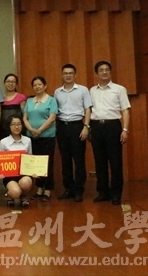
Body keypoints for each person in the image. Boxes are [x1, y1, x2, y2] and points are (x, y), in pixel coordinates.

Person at [89, 61, 130, 206]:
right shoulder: (92, 91)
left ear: (110, 72)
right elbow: (88, 110)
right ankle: (103, 192)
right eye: (101, 70)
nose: (104, 72)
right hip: (96, 126)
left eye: (107, 69)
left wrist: (125, 130)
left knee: (115, 161)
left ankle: (116, 194)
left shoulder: (119, 89)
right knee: (99, 161)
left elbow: (125, 110)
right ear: (97, 73)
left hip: (113, 126)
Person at [54, 64, 92, 203]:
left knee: (79, 160)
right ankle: (68, 189)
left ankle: (79, 190)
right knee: (65, 160)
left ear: (75, 75)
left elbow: (88, 109)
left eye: (71, 73)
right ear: (62, 75)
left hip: (77, 126)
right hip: (62, 127)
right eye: (65, 73)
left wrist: (86, 127)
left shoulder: (83, 90)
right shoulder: (57, 92)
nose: (68, 75)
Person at [23, 76, 58, 202]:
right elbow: (25, 118)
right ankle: (39, 189)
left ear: (45, 86)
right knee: (36, 163)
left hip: (47, 136)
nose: (37, 87)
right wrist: (31, 130)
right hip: (31, 136)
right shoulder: (29, 101)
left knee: (47, 163)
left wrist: (40, 130)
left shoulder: (51, 100)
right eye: (35, 85)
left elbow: (52, 118)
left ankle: (47, 190)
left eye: (39, 84)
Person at [0, 115, 33, 208]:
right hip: (10, 176)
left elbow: (30, 158)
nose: (16, 127)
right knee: (15, 192)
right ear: (9, 126)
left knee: (26, 183)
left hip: (24, 174)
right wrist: (0, 173)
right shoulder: (3, 142)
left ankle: (23, 195)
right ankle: (11, 195)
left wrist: (34, 171)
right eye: (13, 124)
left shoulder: (28, 140)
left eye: (19, 124)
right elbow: (0, 161)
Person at [0, 73, 26, 138]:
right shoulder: (0, 98)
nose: (10, 84)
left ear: (16, 84)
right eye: (8, 81)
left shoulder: (21, 97)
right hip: (3, 129)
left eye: (13, 82)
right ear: (4, 83)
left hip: (17, 129)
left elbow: (24, 114)